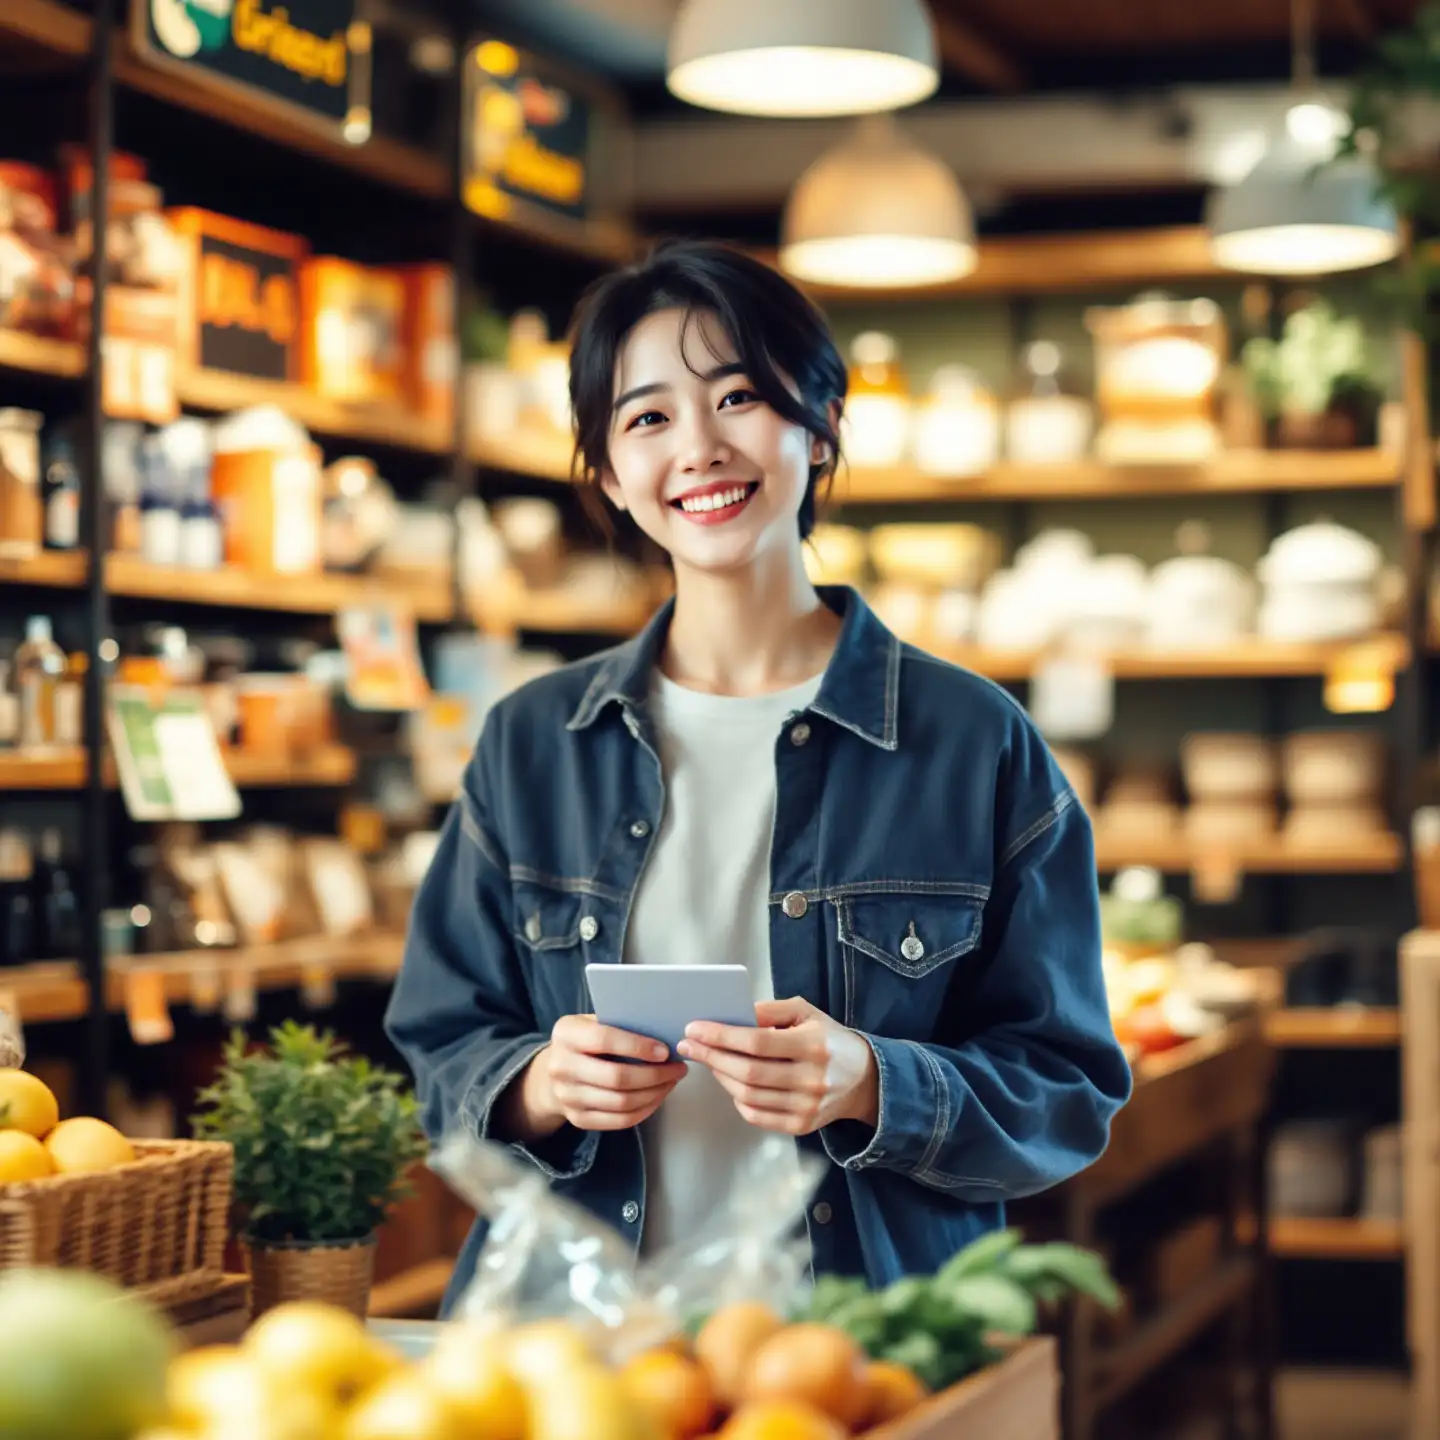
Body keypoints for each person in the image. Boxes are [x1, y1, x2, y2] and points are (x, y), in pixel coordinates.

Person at [385, 238, 1132, 1314]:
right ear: (605, 470)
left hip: (851, 1347)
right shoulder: (533, 742)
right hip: (573, 1350)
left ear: (820, 425)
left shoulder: (973, 740)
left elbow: (1068, 1092)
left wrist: (875, 1081)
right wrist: (540, 1086)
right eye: (646, 417)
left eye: (738, 397)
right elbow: (442, 1043)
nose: (698, 447)